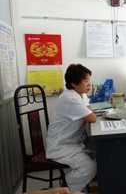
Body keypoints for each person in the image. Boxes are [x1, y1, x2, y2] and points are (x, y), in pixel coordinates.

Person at [46, 64, 97, 192]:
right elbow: (92, 118)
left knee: (100, 154)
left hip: (72, 142)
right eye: (86, 81)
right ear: (74, 83)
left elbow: (89, 110)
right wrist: (90, 113)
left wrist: (89, 112)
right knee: (90, 167)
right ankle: (66, 188)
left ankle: (81, 185)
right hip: (61, 146)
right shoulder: (70, 98)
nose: (89, 84)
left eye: (89, 80)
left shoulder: (80, 94)